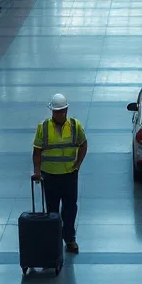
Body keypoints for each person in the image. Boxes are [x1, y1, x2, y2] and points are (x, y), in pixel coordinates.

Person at [32, 93, 87, 254]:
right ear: (52, 111)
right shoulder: (43, 128)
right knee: (52, 210)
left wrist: (77, 164)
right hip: (49, 176)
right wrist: (37, 172)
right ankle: (53, 239)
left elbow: (83, 145)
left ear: (67, 110)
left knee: (70, 209)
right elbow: (37, 151)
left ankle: (69, 239)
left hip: (69, 175)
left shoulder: (75, 126)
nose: (59, 113)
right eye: (56, 111)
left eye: (62, 110)